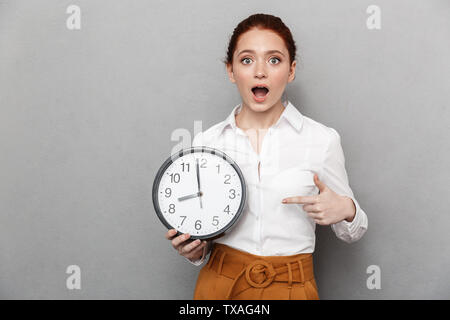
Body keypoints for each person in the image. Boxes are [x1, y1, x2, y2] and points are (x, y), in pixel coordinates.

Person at [165, 13, 368, 300]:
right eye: (247, 60)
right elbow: (200, 231)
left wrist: (346, 209)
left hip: (293, 288)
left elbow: (354, 230)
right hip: (220, 286)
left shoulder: (322, 140)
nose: (260, 71)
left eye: (274, 60)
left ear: (291, 70)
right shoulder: (207, 142)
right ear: (231, 70)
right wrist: (195, 251)